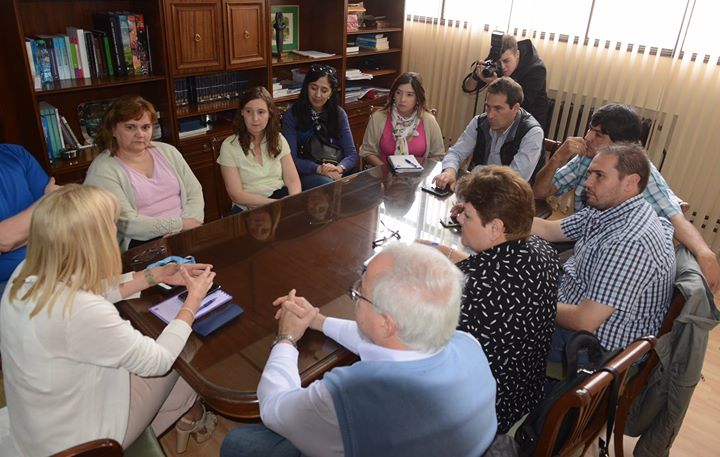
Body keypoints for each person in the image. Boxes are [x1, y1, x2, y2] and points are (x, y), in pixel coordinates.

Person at [220, 243, 497, 457]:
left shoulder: (351, 393)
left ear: (386, 323)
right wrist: (318, 320)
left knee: (238, 443)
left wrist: (287, 337)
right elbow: (383, 343)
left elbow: (273, 409)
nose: (355, 295)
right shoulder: (468, 344)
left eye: (360, 291)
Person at [0, 184, 217, 456]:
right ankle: (186, 417)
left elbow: (87, 287)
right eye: (112, 228)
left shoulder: (24, 275)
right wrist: (193, 300)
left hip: (41, 424)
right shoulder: (81, 311)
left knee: (168, 340)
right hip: (84, 439)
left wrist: (155, 275)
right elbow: (159, 361)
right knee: (188, 345)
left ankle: (186, 415)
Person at [422, 166, 558, 433]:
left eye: (467, 215)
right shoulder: (543, 251)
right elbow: (498, 269)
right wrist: (446, 252)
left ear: (496, 227)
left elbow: (425, 350)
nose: (459, 219)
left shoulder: (469, 287)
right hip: (525, 394)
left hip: (481, 416)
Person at [532, 103, 720, 292]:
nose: (587, 138)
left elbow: (675, 218)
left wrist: (705, 253)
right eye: (590, 129)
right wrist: (557, 158)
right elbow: (540, 192)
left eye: (598, 135)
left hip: (603, 253)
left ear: (620, 145)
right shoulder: (591, 157)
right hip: (581, 237)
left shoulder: (639, 175)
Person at [532, 143, 675, 357]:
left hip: (594, 346)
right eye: (590, 173)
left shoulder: (630, 241)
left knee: (499, 317)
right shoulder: (609, 208)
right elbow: (549, 230)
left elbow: (584, 321)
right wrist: (498, 219)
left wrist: (530, 303)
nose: (588, 183)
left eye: (599, 176)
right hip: (574, 303)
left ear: (630, 183)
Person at [84, 96, 204, 251]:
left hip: (186, 231)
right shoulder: (102, 169)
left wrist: (187, 225)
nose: (140, 134)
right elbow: (127, 223)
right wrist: (178, 225)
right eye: (130, 127)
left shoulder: (168, 151)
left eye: (146, 127)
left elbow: (195, 192)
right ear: (113, 129)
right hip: (140, 242)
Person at [434, 77, 544, 189]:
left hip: (509, 196)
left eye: (498, 109)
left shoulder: (532, 133)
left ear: (515, 108)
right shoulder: (479, 122)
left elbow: (514, 180)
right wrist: (449, 171)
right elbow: (456, 153)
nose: (490, 115)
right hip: (478, 189)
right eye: (488, 107)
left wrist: (477, 170)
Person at [220, 87, 301, 212]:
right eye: (249, 111)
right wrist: (273, 204)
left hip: (280, 199)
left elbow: (293, 180)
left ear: (269, 114)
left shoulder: (279, 139)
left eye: (261, 112)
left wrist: (292, 201)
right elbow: (236, 194)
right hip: (246, 208)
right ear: (242, 113)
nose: (255, 118)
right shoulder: (229, 146)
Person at [281, 65, 358, 190]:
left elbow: (352, 154)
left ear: (331, 92)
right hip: (307, 171)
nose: (318, 95)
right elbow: (291, 159)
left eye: (324, 90)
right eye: (313, 88)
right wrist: (319, 169)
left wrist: (339, 169)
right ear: (306, 87)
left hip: (336, 167)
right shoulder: (292, 115)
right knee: (327, 184)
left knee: (362, 183)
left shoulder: (339, 114)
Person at [0, 144, 60, 297]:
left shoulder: (15, 153)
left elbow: (58, 213)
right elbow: (4, 240)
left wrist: (14, 236)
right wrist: (46, 199)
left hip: (54, 264)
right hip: (9, 282)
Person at [462, 33, 549, 132]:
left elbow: (521, 104)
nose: (503, 67)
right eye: (499, 62)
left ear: (517, 54)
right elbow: (467, 88)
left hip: (529, 122)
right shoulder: (497, 58)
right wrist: (476, 75)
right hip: (500, 118)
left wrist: (496, 83)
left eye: (506, 61)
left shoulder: (536, 69)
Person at [359, 72, 445, 168]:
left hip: (419, 175)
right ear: (393, 95)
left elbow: (438, 155)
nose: (402, 99)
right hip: (384, 173)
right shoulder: (379, 117)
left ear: (418, 98)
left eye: (409, 95)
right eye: (398, 93)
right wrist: (387, 170)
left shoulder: (428, 120)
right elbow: (367, 152)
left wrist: (422, 172)